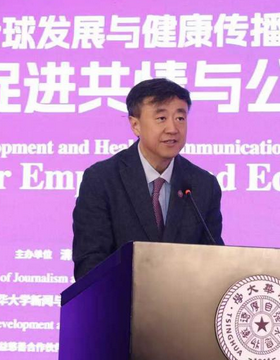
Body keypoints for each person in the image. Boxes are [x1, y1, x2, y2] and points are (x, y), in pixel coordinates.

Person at [71, 78, 224, 280]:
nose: (173, 128)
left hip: (184, 299)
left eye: (180, 118)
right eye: (161, 118)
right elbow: (89, 263)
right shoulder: (102, 180)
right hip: (121, 298)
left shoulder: (203, 185)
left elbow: (214, 260)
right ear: (135, 125)